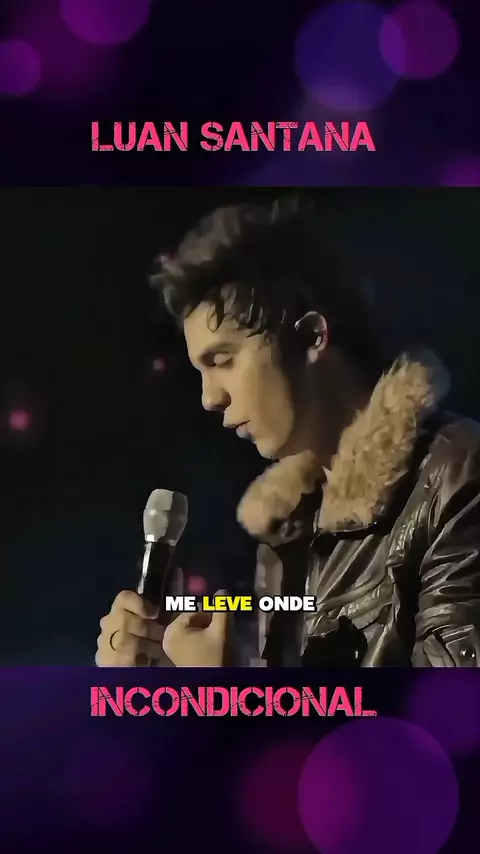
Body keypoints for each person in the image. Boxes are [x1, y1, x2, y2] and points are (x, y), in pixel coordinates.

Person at [96, 196, 480, 668]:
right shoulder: (286, 536)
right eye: (200, 371)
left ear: (312, 336)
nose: (209, 398)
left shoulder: (457, 478)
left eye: (223, 360)